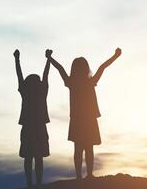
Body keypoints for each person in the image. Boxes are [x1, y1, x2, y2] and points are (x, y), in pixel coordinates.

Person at [47, 48, 122, 179]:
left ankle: (79, 176)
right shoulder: (89, 82)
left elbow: (60, 69)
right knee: (88, 148)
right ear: (86, 68)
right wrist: (115, 56)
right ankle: (89, 175)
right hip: (88, 119)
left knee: (79, 148)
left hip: (78, 119)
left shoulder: (72, 82)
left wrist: (50, 58)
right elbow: (102, 67)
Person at [13, 49, 52, 187]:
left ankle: (30, 182)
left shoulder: (27, 92)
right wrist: (48, 59)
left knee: (30, 157)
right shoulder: (41, 91)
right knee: (37, 157)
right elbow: (45, 75)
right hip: (38, 126)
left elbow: (19, 75)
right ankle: (37, 183)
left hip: (29, 127)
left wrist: (17, 59)